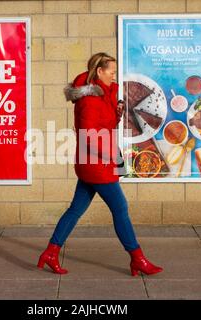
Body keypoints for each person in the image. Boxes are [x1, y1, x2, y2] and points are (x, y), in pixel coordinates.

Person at [37, 52, 163, 277]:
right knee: (120, 209)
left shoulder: (103, 96)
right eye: (111, 72)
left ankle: (50, 252)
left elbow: (103, 126)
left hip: (96, 161)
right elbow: (89, 136)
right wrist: (115, 158)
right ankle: (138, 259)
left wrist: (116, 114)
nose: (114, 76)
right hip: (97, 164)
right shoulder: (89, 100)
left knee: (75, 210)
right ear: (99, 71)